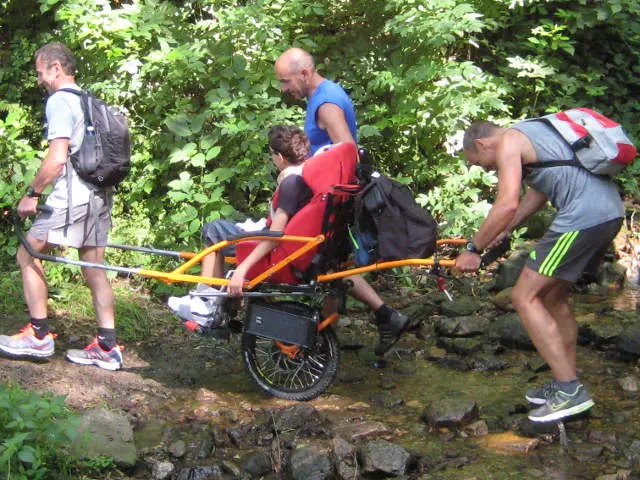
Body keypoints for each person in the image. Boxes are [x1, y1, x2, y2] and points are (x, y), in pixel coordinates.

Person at [456, 118, 624, 422]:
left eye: (480, 164)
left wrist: (473, 249)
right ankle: (566, 384)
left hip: (582, 219)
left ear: (481, 144)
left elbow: (506, 203)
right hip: (609, 214)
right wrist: (505, 231)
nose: (486, 170)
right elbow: (538, 194)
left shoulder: (509, 140)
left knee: (523, 297)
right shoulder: (534, 134)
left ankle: (570, 391)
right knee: (552, 298)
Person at [274, 47, 409, 355]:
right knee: (334, 268)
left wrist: (298, 173)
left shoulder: (326, 104)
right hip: (329, 198)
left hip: (331, 199)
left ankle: (321, 342)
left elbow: (347, 150)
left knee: (323, 265)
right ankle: (382, 318)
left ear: (304, 73)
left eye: (286, 81)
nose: (284, 89)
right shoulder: (322, 96)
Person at [0, 42, 123, 371]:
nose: (40, 79)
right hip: (100, 194)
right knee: (94, 267)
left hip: (72, 196)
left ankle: (38, 337)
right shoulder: (89, 99)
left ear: (56, 68)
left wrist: (32, 193)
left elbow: (57, 159)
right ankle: (107, 346)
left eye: (41, 73)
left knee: (27, 253)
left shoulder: (60, 101)